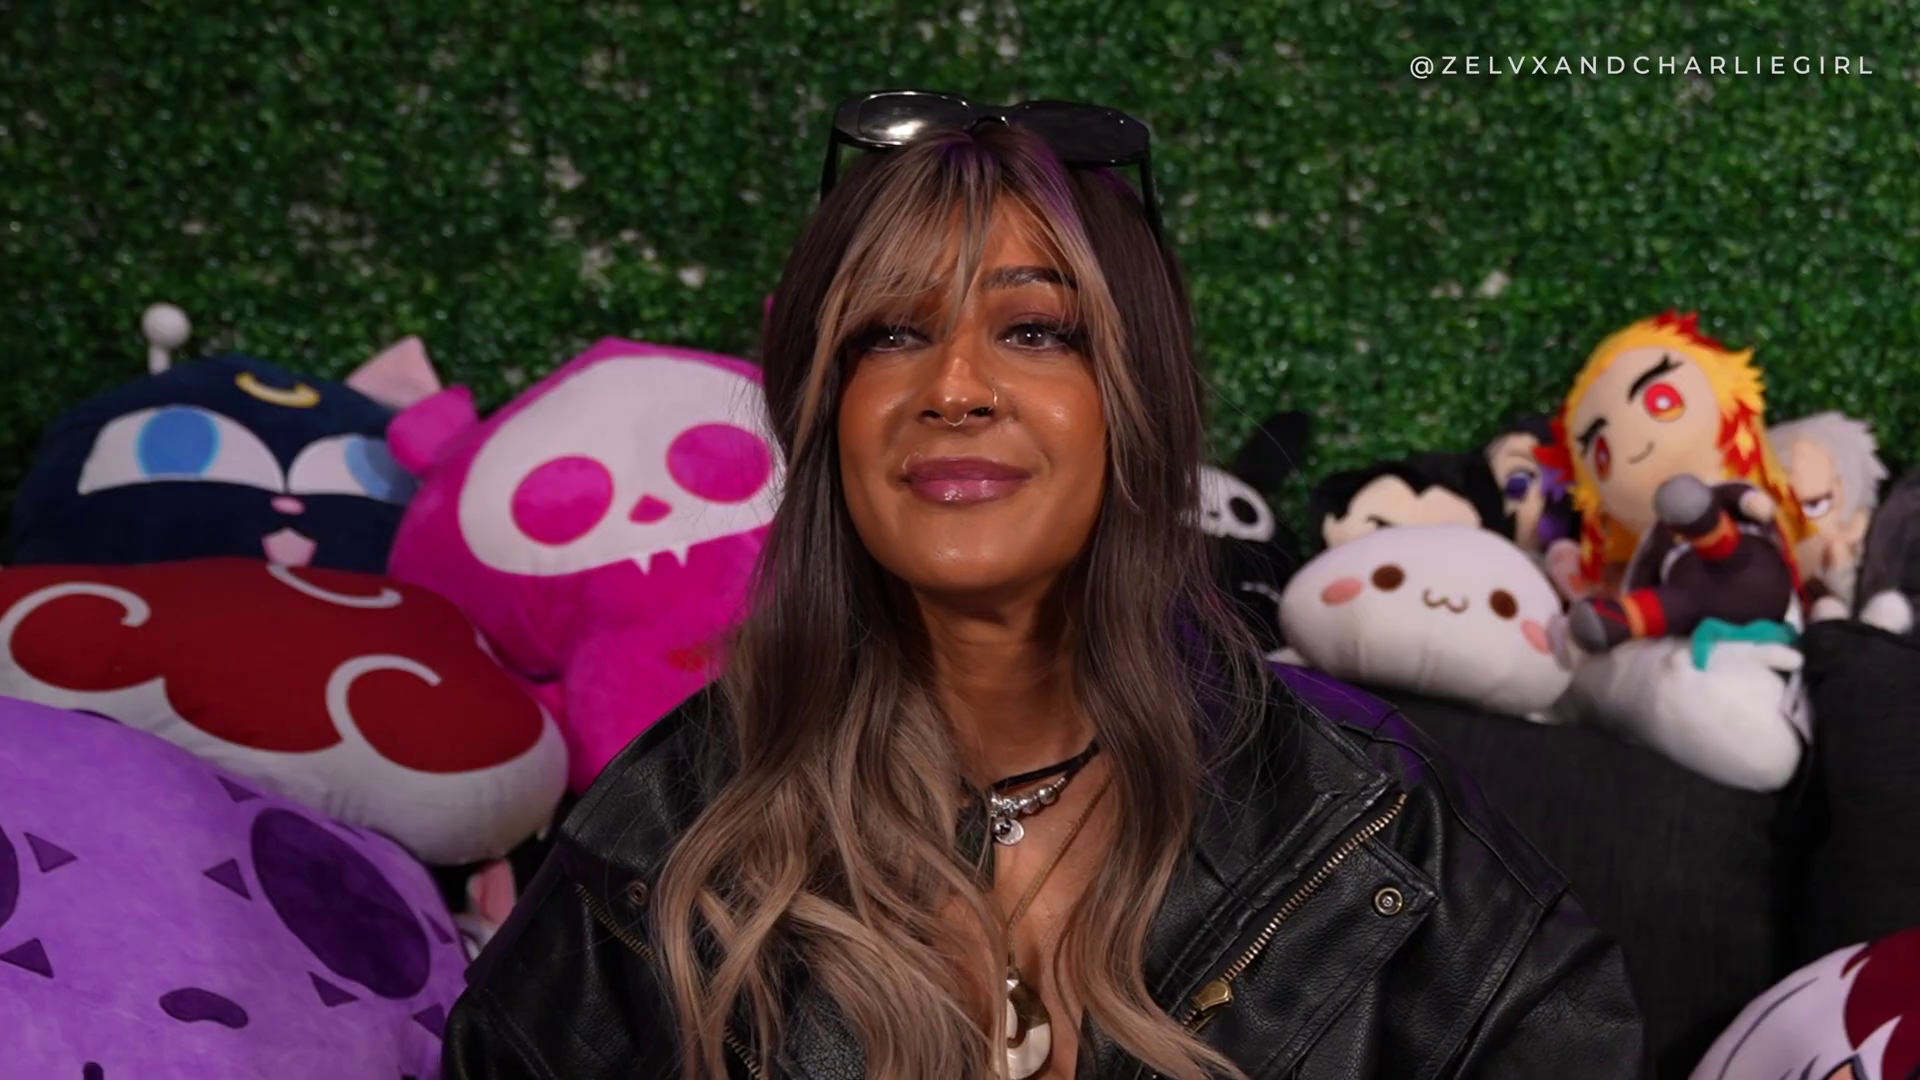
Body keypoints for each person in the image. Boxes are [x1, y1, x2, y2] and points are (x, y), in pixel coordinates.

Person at [441, 91, 1648, 1080]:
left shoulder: (1370, 816)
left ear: (1137, 402)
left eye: (1035, 331)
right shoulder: (662, 833)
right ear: (824, 415)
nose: (954, 388)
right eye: (889, 334)